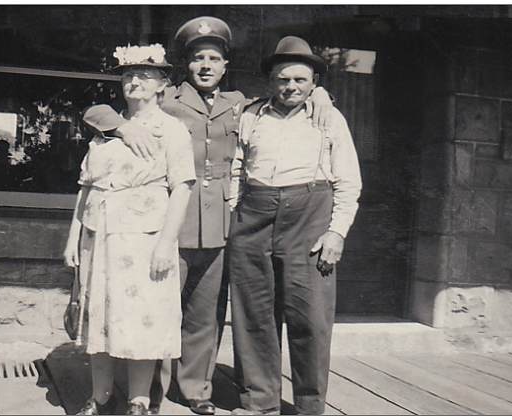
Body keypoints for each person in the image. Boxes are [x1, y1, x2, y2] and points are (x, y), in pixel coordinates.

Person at [90, 17, 335, 416]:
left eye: (214, 58)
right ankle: (148, 390)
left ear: (225, 65)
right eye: (198, 57)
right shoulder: (164, 98)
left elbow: (291, 94)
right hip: (168, 221)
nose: (205, 65)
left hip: (222, 223)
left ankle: (194, 390)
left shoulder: (242, 105)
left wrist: (321, 95)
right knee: (158, 306)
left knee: (205, 313)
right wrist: (119, 126)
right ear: (186, 65)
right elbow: (97, 111)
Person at [227, 36, 362, 415]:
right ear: (270, 81)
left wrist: (337, 232)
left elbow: (348, 181)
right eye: (283, 79)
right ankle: (258, 401)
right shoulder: (251, 114)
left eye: (300, 80)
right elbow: (237, 170)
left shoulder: (329, 116)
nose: (291, 87)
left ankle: (308, 406)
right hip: (254, 214)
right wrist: (236, 212)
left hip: (310, 216)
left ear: (314, 83)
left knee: (310, 315)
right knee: (253, 312)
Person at [63, 43, 195, 415]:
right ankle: (101, 395)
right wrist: (73, 237)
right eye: (128, 75)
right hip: (99, 235)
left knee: (143, 317)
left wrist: (165, 244)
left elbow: (182, 188)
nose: (134, 81)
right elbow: (87, 185)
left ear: (161, 84)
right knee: (100, 318)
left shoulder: (172, 130)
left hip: (144, 238)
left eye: (144, 75)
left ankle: (138, 399)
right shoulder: (106, 126)